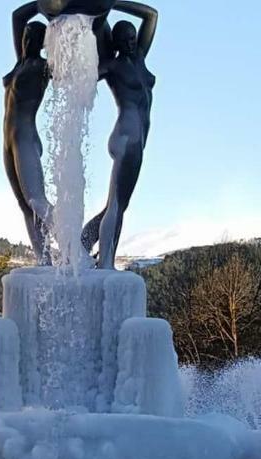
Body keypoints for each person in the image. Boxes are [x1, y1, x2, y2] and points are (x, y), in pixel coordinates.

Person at [82, 2, 158, 269]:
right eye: (123, 39)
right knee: (117, 206)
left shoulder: (139, 58)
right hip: (127, 136)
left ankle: (82, 244)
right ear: (115, 41)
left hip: (135, 138)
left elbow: (151, 15)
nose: (129, 42)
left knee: (115, 204)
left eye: (132, 37)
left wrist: (113, 2)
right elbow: (85, 76)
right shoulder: (112, 66)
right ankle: (106, 263)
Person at [4, 6, 54, 264]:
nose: (25, 41)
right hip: (9, 140)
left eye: (32, 39)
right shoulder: (20, 62)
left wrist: (58, 16)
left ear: (43, 43)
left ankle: (74, 246)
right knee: (26, 206)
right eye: (25, 37)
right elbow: (17, 16)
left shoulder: (44, 66)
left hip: (26, 137)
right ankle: (44, 259)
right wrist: (43, 5)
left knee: (36, 200)